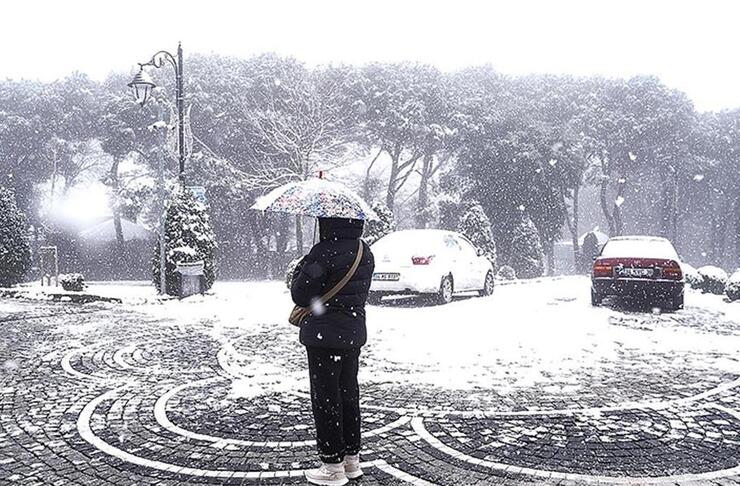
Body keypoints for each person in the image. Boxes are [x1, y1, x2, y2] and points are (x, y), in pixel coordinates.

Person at [290, 217, 375, 486]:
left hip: (323, 336)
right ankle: (352, 460)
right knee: (349, 395)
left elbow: (301, 296)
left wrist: (302, 268)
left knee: (326, 398)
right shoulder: (365, 251)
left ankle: (332, 466)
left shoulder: (322, 251)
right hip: (352, 333)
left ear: (327, 222)